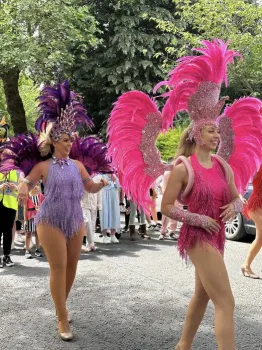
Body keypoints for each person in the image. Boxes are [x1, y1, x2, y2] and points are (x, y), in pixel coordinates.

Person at [107, 39, 262, 349]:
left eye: (218, 131)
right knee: (227, 301)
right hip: (197, 236)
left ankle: (182, 345)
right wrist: (198, 219)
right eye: (210, 131)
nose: (217, 136)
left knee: (203, 296)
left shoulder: (221, 165)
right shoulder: (183, 168)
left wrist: (233, 205)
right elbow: (166, 207)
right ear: (195, 133)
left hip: (216, 236)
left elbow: (237, 198)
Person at [16, 81, 108, 341]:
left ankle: (60, 306)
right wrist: (23, 186)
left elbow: (88, 186)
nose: (70, 144)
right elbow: (28, 181)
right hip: (50, 220)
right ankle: (62, 317)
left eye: (71, 140)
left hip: (75, 219)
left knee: (72, 269)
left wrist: (99, 184)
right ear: (55, 141)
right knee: (58, 267)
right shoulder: (44, 166)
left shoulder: (78, 165)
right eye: (66, 140)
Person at [0, 149, 23, 267]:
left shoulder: (18, 172)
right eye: (4, 155)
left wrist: (17, 187)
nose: (7, 157)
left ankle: (7, 256)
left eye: (9, 155)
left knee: (8, 231)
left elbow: (24, 188)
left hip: (10, 204)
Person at [241, 166, 262, 279]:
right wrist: (239, 195)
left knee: (259, 239)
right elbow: (240, 179)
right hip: (257, 206)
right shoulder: (257, 165)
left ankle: (246, 265)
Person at [23, 183, 45, 259]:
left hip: (38, 217)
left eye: (37, 185)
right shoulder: (27, 196)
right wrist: (25, 220)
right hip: (30, 217)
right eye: (34, 185)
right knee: (28, 233)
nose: (35, 187)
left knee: (38, 234)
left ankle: (37, 249)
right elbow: (25, 209)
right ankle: (27, 250)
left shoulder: (41, 196)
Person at [100, 174, 121, 244]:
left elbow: (119, 185)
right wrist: (109, 182)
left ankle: (113, 235)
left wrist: (115, 179)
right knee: (105, 213)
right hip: (104, 195)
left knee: (114, 213)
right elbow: (100, 183)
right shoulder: (100, 173)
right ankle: (105, 236)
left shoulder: (113, 173)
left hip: (113, 195)